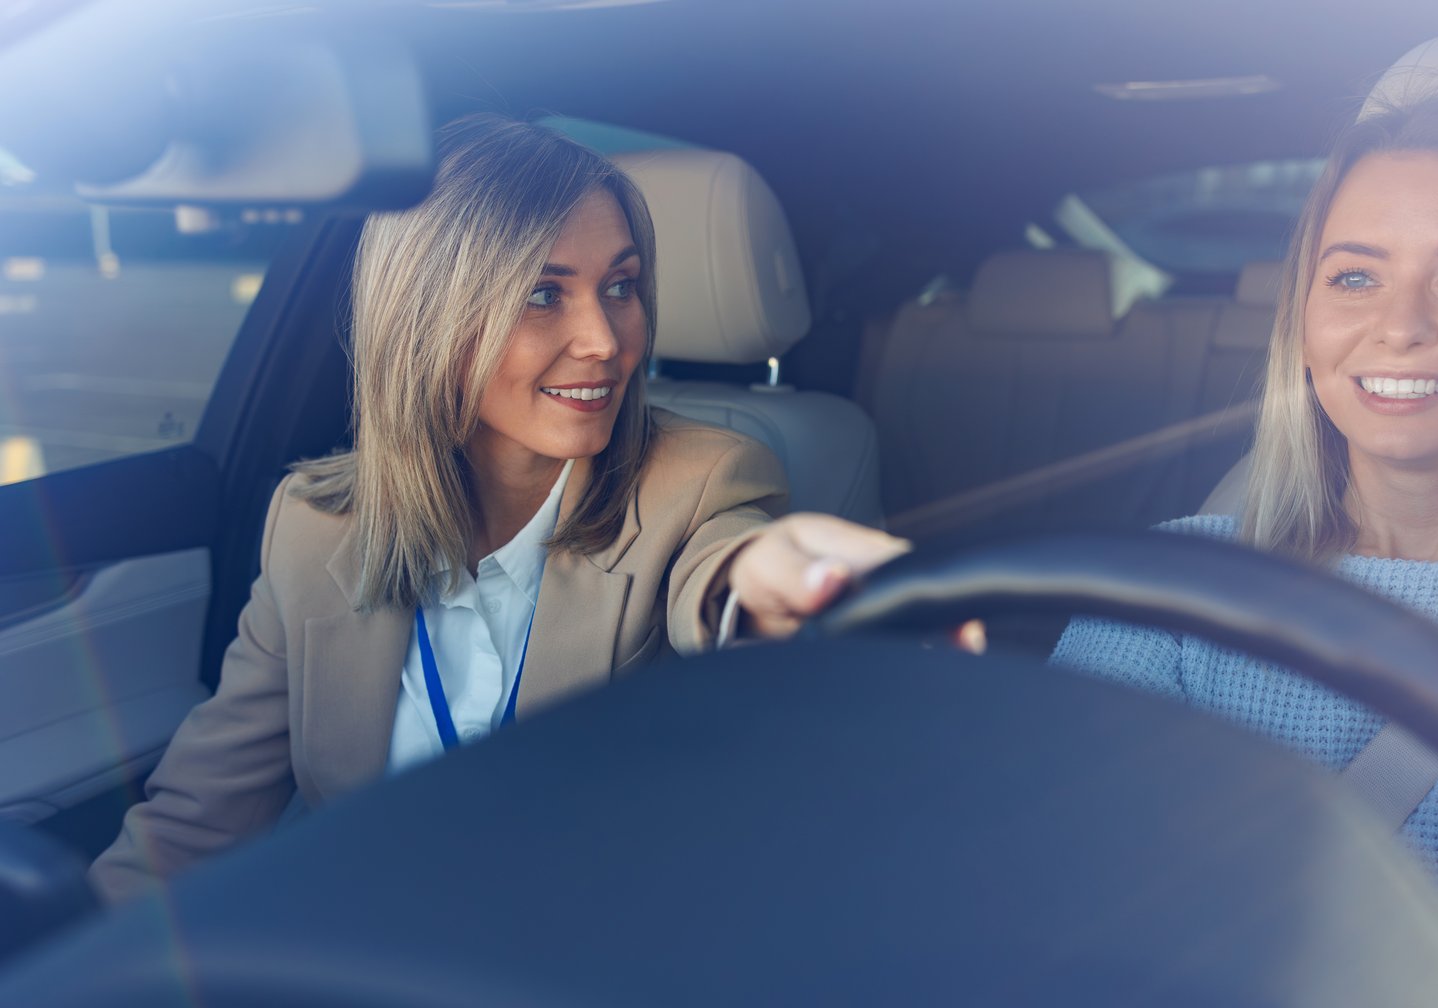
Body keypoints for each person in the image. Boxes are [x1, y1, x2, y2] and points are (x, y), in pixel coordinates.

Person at [88, 115, 904, 903]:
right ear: (427, 321)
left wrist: (765, 582)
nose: (606, 339)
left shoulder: (704, 479)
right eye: (543, 295)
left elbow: (723, 570)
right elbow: (193, 830)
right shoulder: (314, 525)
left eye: (621, 286)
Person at [1046, 89, 1438, 1008]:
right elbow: (1036, 886)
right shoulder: (1165, 592)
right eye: (1354, 277)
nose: (1399, 327)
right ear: (1302, 316)